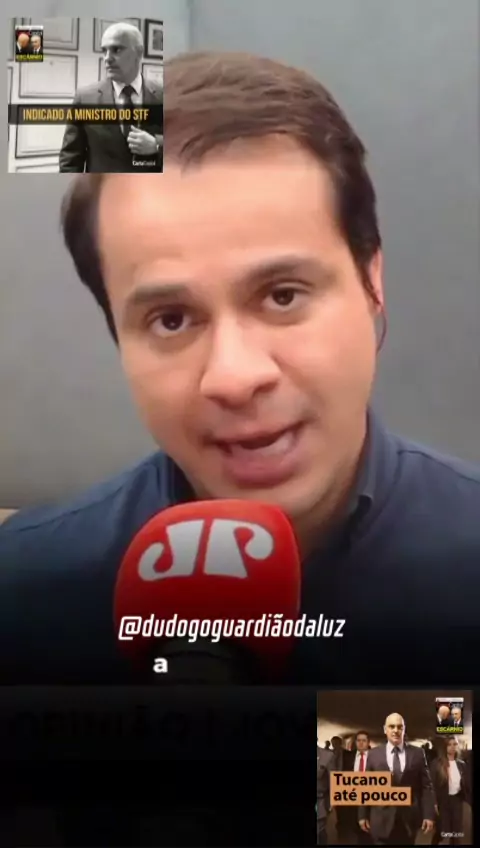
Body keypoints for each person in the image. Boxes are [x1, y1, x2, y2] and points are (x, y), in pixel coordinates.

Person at [1, 51, 480, 685]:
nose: (234, 376)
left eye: (282, 295)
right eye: (172, 319)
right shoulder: (24, 593)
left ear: (372, 283)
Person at [59, 22, 163, 173]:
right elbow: (70, 159)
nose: (107, 58)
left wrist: (157, 145)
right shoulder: (85, 98)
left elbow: (184, 149)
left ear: (139, 53)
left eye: (116, 49)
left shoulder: (164, 95)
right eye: (104, 51)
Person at [358, 713, 435, 846]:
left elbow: (426, 786)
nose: (396, 730)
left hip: (408, 820)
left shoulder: (417, 753)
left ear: (404, 729)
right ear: (385, 729)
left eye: (400, 727)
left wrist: (428, 814)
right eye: (391, 726)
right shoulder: (374, 754)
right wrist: (362, 815)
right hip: (380, 818)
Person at [431, 736, 470, 846]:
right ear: (445, 747)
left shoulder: (461, 764)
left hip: (456, 800)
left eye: (455, 744)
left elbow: (466, 784)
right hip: (443, 801)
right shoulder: (437, 763)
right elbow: (431, 784)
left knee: (456, 831)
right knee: (442, 831)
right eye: (449, 744)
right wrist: (434, 802)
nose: (452, 747)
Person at [317, 744, 334, 845]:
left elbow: (333, 779)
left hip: (319, 801)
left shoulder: (327, 756)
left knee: (319, 831)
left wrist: (333, 799)